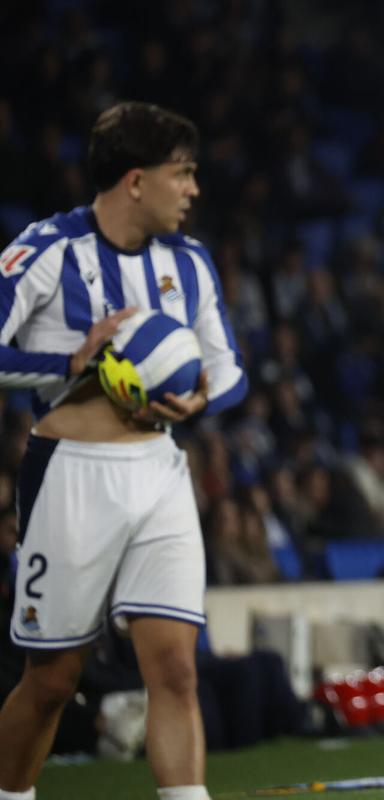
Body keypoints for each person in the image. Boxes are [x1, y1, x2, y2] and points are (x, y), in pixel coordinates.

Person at [0, 102, 247, 800]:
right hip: (71, 479)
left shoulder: (191, 263)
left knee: (175, 669)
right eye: (183, 174)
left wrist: (200, 402)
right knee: (52, 681)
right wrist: (70, 363)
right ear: (136, 181)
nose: (193, 189)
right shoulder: (47, 250)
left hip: (159, 474)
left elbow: (228, 370)